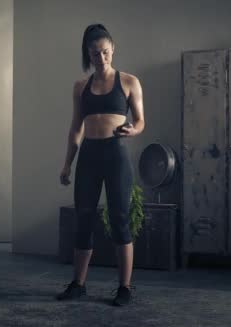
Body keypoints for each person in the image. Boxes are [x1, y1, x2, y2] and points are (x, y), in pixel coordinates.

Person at [56, 23, 145, 306]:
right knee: (83, 219)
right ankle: (78, 284)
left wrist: (133, 130)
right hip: (89, 156)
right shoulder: (80, 87)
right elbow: (75, 129)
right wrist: (67, 164)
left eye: (105, 52)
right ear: (88, 54)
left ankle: (125, 288)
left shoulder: (129, 81)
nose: (101, 58)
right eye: (95, 54)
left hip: (116, 154)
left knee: (119, 218)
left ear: (113, 49)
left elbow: (141, 121)